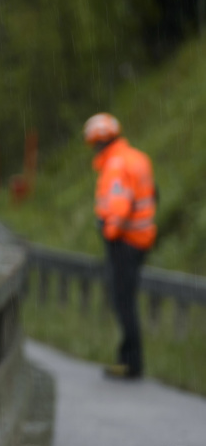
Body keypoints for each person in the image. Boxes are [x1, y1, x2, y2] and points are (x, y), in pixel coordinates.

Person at [84, 112, 156, 380]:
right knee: (127, 299)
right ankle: (130, 359)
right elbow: (153, 194)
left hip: (124, 242)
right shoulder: (137, 157)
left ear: (98, 141)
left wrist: (109, 231)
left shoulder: (115, 165)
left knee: (123, 301)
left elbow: (120, 204)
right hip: (142, 240)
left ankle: (130, 362)